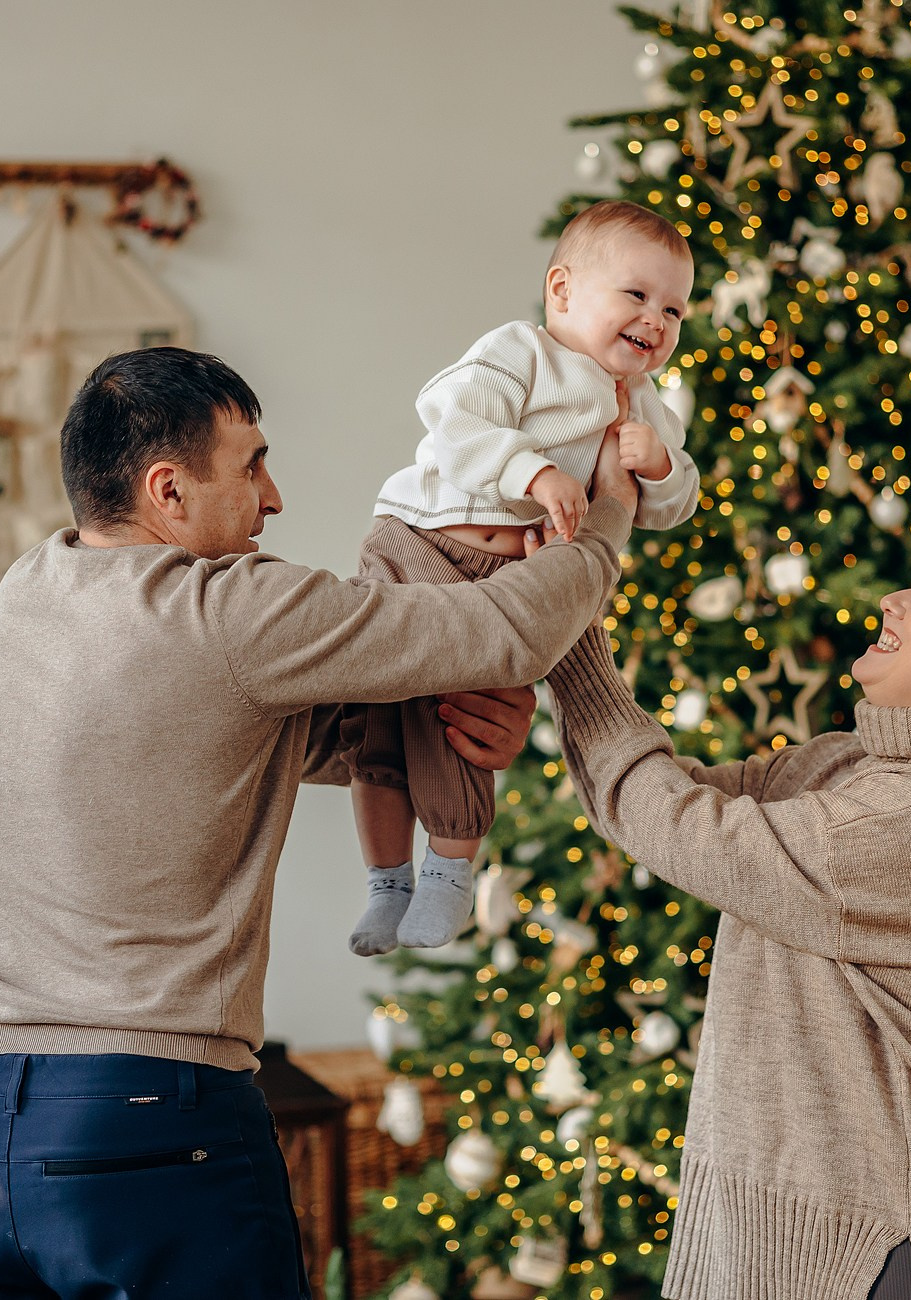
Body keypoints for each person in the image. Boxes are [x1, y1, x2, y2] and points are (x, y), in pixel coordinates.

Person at [0, 346, 642, 1300]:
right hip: (144, 1115)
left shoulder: (27, 593)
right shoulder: (230, 610)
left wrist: (444, 728)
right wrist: (608, 516)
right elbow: (506, 630)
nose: (274, 498)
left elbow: (243, 735)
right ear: (168, 490)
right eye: (252, 465)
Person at [544, 530, 911, 1300]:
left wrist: (566, 620)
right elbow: (667, 791)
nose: (893, 601)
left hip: (889, 1253)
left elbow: (675, 825)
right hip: (832, 1234)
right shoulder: (848, 767)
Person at [345, 200, 702, 959]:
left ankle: (447, 872)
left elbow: (667, 508)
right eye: (637, 295)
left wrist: (664, 467)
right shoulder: (521, 351)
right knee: (380, 720)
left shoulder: (645, 406)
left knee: (460, 722)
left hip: (507, 583)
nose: (657, 319)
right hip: (420, 540)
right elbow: (455, 421)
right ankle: (386, 881)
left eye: (675, 309)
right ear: (562, 291)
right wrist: (533, 472)